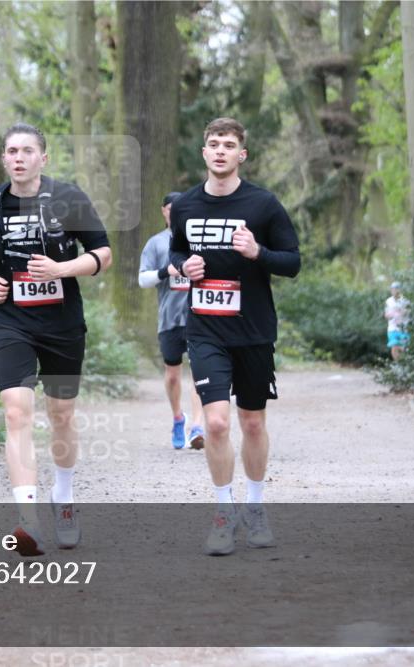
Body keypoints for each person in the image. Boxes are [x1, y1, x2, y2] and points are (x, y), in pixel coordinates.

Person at [0, 123, 112, 557]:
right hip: (10, 321)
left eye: (28, 150)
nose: (19, 157)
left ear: (43, 158)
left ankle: (63, 499)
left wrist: (63, 271)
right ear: (4, 159)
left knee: (61, 413)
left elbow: (103, 254)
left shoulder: (69, 198)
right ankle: (28, 520)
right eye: (12, 151)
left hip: (62, 324)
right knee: (16, 411)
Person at [169, 117, 301, 556]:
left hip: (253, 330)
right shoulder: (186, 205)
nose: (220, 150)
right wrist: (185, 265)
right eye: (213, 144)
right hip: (205, 329)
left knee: (252, 421)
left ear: (241, 154)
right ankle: (224, 513)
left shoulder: (263, 205)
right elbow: (177, 248)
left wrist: (257, 253)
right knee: (217, 422)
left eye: (229, 144)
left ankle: (256, 506)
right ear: (203, 153)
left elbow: (292, 262)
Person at [139, 191, 205, 449]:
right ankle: (179, 418)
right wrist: (166, 271)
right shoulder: (156, 243)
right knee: (173, 376)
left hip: (199, 318)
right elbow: (142, 280)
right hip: (168, 319)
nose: (175, 211)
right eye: (171, 207)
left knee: (200, 371)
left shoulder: (199, 240)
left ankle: (197, 426)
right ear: (164, 211)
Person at [384, 281, 410, 360]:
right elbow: (386, 315)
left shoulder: (405, 300)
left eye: (397, 289)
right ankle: (397, 365)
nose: (395, 291)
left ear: (400, 290)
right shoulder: (388, 301)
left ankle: (404, 364)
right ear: (391, 290)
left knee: (404, 349)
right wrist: (390, 315)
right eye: (393, 289)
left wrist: (403, 311)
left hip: (403, 328)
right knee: (394, 346)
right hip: (392, 328)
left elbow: (409, 311)